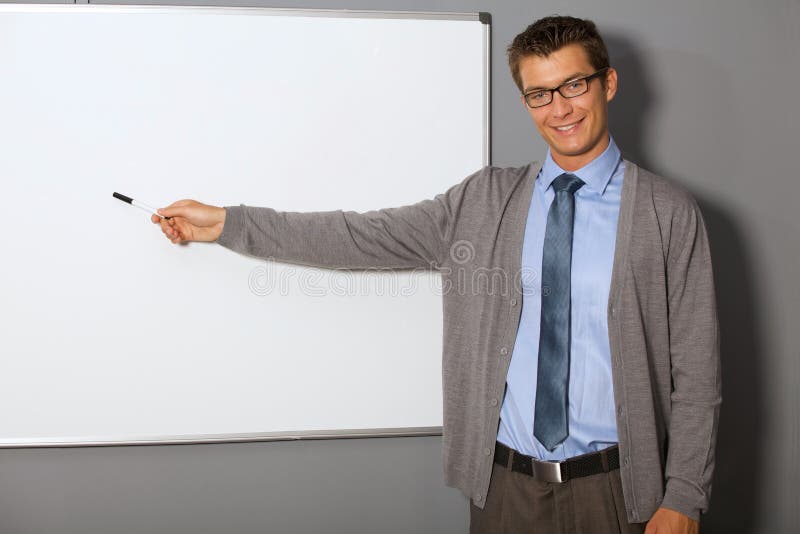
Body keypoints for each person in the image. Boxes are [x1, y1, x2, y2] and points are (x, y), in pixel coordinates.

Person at [152, 15, 720, 534]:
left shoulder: (667, 213)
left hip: (620, 494)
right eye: (540, 94)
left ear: (607, 83)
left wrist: (684, 496)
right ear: (526, 102)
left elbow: (696, 373)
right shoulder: (483, 200)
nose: (560, 109)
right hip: (505, 492)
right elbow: (358, 236)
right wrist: (227, 223)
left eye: (573, 85)